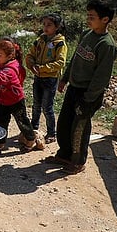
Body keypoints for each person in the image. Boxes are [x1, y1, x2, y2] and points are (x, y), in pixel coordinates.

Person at [44, 0, 117, 174]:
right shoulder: (87, 34)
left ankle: (77, 161)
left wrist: (88, 99)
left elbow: (101, 77)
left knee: (79, 128)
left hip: (88, 94)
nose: (88, 19)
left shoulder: (107, 45)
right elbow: (75, 59)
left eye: (92, 16)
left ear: (105, 19)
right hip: (74, 88)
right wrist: (65, 78)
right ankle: (64, 154)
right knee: (64, 123)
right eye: (88, 15)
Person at [25, 13, 67, 144]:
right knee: (36, 105)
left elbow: (60, 62)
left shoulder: (59, 43)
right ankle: (34, 129)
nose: (45, 27)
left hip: (50, 79)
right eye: (44, 24)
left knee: (47, 107)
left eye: (49, 25)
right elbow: (30, 55)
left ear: (57, 27)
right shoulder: (40, 40)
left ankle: (51, 133)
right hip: (38, 77)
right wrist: (31, 65)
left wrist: (42, 68)